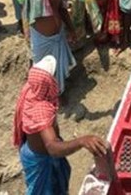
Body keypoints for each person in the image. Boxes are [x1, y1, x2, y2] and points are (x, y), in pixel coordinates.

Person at [13, 55, 108, 194]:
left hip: (33, 152)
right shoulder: (42, 111)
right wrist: (82, 141)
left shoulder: (31, 89)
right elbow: (52, 147)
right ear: (48, 82)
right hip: (42, 161)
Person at [24, 0, 84, 93]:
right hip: (43, 39)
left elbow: (62, 9)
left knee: (57, 69)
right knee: (44, 70)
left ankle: (58, 93)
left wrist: (71, 29)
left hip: (58, 35)